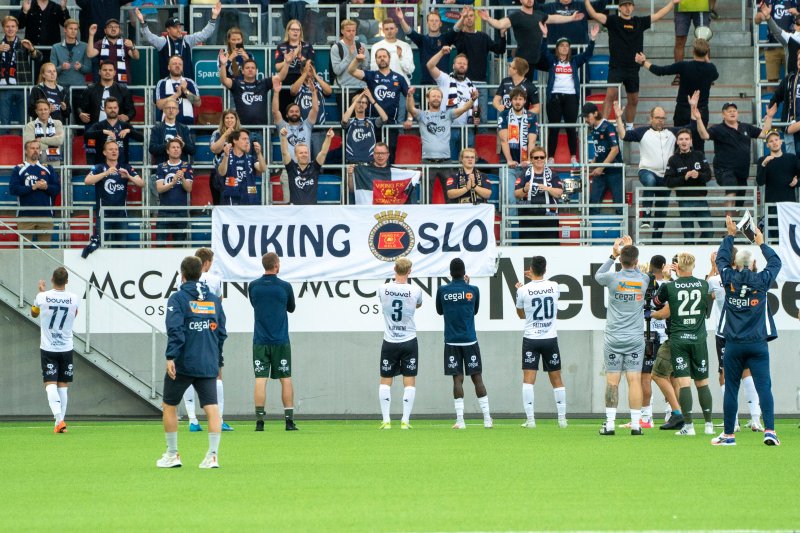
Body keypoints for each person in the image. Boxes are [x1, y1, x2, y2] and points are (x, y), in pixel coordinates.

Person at [712, 216, 782, 446]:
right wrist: (760, 242)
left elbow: (722, 258)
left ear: (736, 264)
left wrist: (730, 235)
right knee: (765, 387)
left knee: (731, 389)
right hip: (758, 343)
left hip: (733, 344)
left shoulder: (728, 277)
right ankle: (769, 431)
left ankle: (729, 435)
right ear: (752, 264)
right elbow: (776, 263)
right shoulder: (762, 280)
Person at [158, 256, 227, 468]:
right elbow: (222, 332)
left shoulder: (178, 298)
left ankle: (172, 454)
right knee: (212, 407)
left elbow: (175, 329)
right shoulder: (214, 299)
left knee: (169, 405)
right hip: (208, 362)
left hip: (183, 362)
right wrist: (217, 358)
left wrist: (171, 356)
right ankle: (212, 456)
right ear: (201, 273)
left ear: (183, 275)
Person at [650, 252, 714, 436]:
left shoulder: (670, 286)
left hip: (679, 339)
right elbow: (706, 311)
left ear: (676, 267)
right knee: (702, 382)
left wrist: (669, 279)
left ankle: (689, 426)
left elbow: (656, 303)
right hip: (699, 339)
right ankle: (709, 425)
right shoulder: (703, 285)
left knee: (684, 383)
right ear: (693, 266)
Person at [584, 0, 679, 124]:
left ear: (633, 7)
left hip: (633, 69)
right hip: (616, 67)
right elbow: (594, 14)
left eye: (629, 5)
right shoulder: (613, 21)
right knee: (610, 95)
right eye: (624, 5)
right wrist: (586, 1)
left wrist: (672, 3)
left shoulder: (639, 22)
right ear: (619, 8)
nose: (627, 8)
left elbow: (659, 15)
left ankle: (629, 127)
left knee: (633, 100)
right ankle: (604, 125)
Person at [594, 236, 650, 435]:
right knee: (634, 380)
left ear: (620, 260)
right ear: (636, 262)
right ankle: (636, 425)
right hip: (635, 338)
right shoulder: (644, 280)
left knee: (612, 381)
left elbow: (598, 275)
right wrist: (629, 249)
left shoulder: (613, 278)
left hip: (614, 337)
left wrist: (613, 254)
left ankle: (609, 425)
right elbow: (636, 269)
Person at [706, 250, 764, 432]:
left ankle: (733, 421)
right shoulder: (748, 279)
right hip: (747, 331)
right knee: (747, 373)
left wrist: (713, 266)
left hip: (725, 333)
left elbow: (708, 294)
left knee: (725, 374)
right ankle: (756, 418)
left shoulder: (716, 280)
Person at [435, 258, 493, 429]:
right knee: (477, 378)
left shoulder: (442, 290)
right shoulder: (473, 290)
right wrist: (466, 288)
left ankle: (460, 421)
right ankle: (487, 419)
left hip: (451, 341)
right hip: (470, 340)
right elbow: (474, 311)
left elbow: (439, 311)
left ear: (450, 273)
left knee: (457, 379)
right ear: (464, 272)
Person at [182, 247, 234, 432]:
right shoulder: (214, 280)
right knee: (216, 373)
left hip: (191, 331)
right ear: (207, 263)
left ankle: (192, 420)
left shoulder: (185, 281)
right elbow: (219, 304)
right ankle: (218, 420)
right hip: (211, 332)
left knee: (187, 376)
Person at [513, 255, 568, 428]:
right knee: (557, 378)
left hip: (531, 339)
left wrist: (523, 289)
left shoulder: (522, 290)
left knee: (528, 379)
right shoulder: (554, 286)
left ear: (530, 269)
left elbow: (521, 315)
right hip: (550, 338)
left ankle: (530, 420)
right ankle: (562, 420)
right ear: (545, 269)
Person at [694, 100, 776, 213]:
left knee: (738, 206)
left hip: (742, 172)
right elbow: (704, 135)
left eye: (734, 110)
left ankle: (729, 226)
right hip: (724, 170)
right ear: (723, 114)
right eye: (729, 111)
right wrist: (699, 119)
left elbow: (764, 134)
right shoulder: (718, 129)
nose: (732, 113)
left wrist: (770, 117)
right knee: (731, 190)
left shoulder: (746, 127)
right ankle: (729, 227)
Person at [636, 39, 718, 152]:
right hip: (701, 111)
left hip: (683, 109)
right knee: (699, 143)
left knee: (680, 140)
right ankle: (699, 167)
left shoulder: (684, 66)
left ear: (693, 51)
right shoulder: (711, 68)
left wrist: (643, 62)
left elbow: (660, 71)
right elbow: (715, 76)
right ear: (707, 52)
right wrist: (706, 59)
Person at [248, 252, 298, 432]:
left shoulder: (253, 286)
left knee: (260, 379)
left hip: (260, 340)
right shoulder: (285, 286)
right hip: (280, 340)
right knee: (286, 379)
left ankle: (260, 422)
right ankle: (289, 422)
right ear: (276, 265)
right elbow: (291, 308)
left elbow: (254, 304)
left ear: (264, 265)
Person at [614, 103, 681, 237]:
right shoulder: (642, 131)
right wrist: (618, 118)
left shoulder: (672, 133)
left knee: (662, 209)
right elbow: (623, 136)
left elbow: (691, 129)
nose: (660, 120)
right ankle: (645, 215)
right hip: (647, 170)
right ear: (650, 118)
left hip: (665, 175)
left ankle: (657, 240)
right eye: (657, 117)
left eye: (662, 118)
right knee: (650, 182)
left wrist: (694, 112)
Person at [539, 22, 598, 164]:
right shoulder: (552, 60)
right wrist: (545, 36)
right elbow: (543, 52)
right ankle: (551, 158)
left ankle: (573, 157)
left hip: (571, 97)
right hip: (554, 97)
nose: (564, 48)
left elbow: (588, 54)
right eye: (562, 45)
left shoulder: (574, 61)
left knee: (571, 128)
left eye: (567, 46)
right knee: (553, 128)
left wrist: (592, 39)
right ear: (557, 48)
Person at [477, 0, 582, 78]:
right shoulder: (516, 16)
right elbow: (500, 24)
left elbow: (554, 18)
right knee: (523, 94)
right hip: (523, 60)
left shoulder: (539, 15)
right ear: (521, 1)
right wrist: (488, 19)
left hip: (538, 57)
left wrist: (571, 18)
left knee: (558, 65)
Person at [377, 257, 424, 429]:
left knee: (385, 380)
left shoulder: (383, 288)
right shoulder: (416, 290)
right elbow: (417, 305)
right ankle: (405, 420)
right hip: (409, 340)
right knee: (409, 380)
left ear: (394, 269)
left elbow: (383, 303)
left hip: (389, 340)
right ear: (410, 271)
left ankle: (386, 420)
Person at [31, 267, 78, 433]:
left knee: (50, 383)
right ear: (67, 281)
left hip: (48, 347)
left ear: (52, 279)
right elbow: (74, 314)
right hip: (66, 347)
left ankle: (59, 420)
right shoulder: (74, 298)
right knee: (63, 384)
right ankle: (60, 423)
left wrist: (42, 293)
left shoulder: (42, 297)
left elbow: (34, 313)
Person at [445, 7, 507, 122]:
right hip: (463, 84)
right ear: (462, 18)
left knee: (482, 120)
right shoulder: (459, 36)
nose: (469, 19)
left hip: (481, 84)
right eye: (466, 16)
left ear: (475, 17)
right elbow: (448, 38)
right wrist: (461, 19)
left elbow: (500, 50)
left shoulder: (483, 36)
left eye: (471, 16)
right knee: (463, 118)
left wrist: (503, 35)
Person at [135, 3, 221, 80]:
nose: (179, 29)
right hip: (168, 85)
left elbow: (205, 34)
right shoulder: (163, 42)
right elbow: (149, 37)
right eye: (175, 27)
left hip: (187, 84)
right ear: (168, 29)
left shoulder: (187, 40)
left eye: (179, 27)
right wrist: (142, 22)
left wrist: (214, 17)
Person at [84, 139, 145, 246]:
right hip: (103, 214)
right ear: (104, 152)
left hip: (121, 214)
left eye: (116, 149)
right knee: (99, 246)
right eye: (111, 149)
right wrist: (105, 173)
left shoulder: (126, 167)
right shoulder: (98, 167)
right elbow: (87, 181)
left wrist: (129, 176)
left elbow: (141, 183)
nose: (114, 152)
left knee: (121, 248)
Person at [426, 46, 479, 159]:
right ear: (453, 65)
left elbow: (475, 107)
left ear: (467, 67)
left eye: (464, 63)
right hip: (448, 127)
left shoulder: (471, 85)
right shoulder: (445, 79)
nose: (462, 65)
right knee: (447, 160)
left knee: (467, 160)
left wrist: (476, 117)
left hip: (466, 129)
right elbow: (430, 66)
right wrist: (441, 52)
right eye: (459, 63)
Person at [664, 128, 713, 243]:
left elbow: (708, 175)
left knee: (709, 230)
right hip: (684, 200)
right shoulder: (673, 160)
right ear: (677, 142)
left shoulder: (699, 155)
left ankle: (699, 249)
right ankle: (690, 257)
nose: (684, 141)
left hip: (701, 199)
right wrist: (684, 177)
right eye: (681, 139)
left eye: (686, 139)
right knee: (688, 235)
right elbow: (668, 181)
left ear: (691, 141)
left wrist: (698, 175)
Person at [406, 86, 478, 164]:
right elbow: (410, 108)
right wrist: (410, 96)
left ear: (441, 99)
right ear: (427, 99)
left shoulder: (448, 114)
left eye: (438, 96)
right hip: (427, 161)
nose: (436, 98)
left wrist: (473, 99)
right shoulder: (422, 115)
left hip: (446, 160)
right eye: (433, 96)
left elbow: (464, 108)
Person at [9, 140, 61, 244]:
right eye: (32, 148)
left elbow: (57, 189)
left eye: (37, 148)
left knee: (45, 251)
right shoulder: (19, 169)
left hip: (45, 216)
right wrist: (33, 187)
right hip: (25, 216)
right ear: (26, 151)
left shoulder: (48, 168)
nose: (35, 151)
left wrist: (46, 187)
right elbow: (13, 189)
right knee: (24, 252)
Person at [220, 57, 287, 132]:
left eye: (253, 68)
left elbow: (280, 77)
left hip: (262, 130)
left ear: (256, 71)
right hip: (242, 130)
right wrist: (223, 65)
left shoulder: (263, 83)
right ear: (242, 71)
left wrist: (287, 63)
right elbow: (224, 80)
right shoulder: (237, 84)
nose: (250, 69)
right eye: (247, 68)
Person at [0, 15, 43, 132]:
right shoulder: (0, 44)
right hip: (3, 87)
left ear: (17, 28)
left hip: (23, 86)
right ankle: (4, 147)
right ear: (3, 28)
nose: (10, 29)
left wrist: (32, 49)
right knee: (4, 121)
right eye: (7, 26)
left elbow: (39, 58)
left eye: (13, 26)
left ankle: (25, 146)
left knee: (25, 120)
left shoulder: (23, 43)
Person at [756, 129, 800, 239]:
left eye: (776, 139)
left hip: (789, 204)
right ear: (767, 145)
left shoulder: (792, 158)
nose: (774, 142)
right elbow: (760, 181)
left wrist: (797, 181)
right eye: (771, 141)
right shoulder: (763, 160)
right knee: (775, 237)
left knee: (789, 237)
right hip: (772, 205)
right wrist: (764, 164)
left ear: (781, 142)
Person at [514, 145, 563, 243]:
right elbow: (516, 194)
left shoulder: (553, 174)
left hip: (549, 216)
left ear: (545, 159)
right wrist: (525, 189)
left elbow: (559, 193)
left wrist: (547, 188)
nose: (539, 159)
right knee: (528, 250)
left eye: (542, 157)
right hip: (528, 216)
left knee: (549, 249)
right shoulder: (524, 174)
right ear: (531, 160)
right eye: (536, 157)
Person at [348, 47, 408, 125]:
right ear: (375, 60)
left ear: (389, 58)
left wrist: (409, 118)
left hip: (392, 124)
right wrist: (357, 60)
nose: (382, 58)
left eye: (384, 56)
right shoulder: (371, 75)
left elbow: (409, 96)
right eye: (379, 57)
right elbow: (351, 71)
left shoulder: (399, 78)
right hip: (373, 123)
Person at [370, 18, 414, 123]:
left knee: (399, 121)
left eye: (391, 28)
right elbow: (373, 68)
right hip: (381, 88)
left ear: (396, 29)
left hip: (401, 88)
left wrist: (401, 57)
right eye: (386, 29)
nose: (389, 31)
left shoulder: (405, 46)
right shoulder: (376, 46)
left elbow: (410, 69)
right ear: (383, 30)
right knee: (381, 120)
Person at [582, 102, 623, 214]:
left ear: (595, 113)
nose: (586, 119)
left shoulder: (608, 127)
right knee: (592, 206)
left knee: (620, 205)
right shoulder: (593, 128)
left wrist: (600, 167)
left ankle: (622, 232)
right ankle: (592, 232)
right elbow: (599, 150)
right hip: (600, 172)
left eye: (587, 116)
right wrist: (592, 164)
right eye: (584, 117)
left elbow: (615, 150)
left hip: (614, 172)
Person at [280, 127, 334, 205]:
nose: (304, 155)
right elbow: (284, 152)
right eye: (301, 153)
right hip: (295, 211)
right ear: (295, 155)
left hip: (311, 211)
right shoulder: (291, 168)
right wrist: (283, 137)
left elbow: (323, 152)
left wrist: (328, 138)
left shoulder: (314, 167)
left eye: (306, 152)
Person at [78, 61, 136, 134]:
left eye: (110, 70)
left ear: (114, 72)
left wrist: (127, 117)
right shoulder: (90, 89)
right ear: (99, 72)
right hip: (95, 130)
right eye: (105, 70)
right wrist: (81, 114)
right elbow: (80, 107)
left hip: (118, 131)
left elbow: (132, 111)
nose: (107, 72)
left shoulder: (123, 90)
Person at [290, 60, 333, 156]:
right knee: (303, 159)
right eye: (307, 70)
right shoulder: (299, 85)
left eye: (311, 70)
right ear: (302, 71)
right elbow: (293, 91)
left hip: (319, 129)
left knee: (318, 161)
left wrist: (316, 76)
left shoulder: (318, 85)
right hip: (302, 130)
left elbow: (329, 91)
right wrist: (304, 74)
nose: (309, 73)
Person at [274, 19, 315, 118]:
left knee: (302, 110)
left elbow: (312, 66)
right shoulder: (282, 46)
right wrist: (288, 60)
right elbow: (277, 67)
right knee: (285, 110)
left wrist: (300, 56)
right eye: (293, 29)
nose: (295, 32)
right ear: (288, 31)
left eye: (298, 29)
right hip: (286, 78)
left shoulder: (307, 46)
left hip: (302, 79)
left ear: (301, 32)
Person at [154, 138, 193, 242]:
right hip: (164, 211)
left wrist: (182, 178)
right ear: (167, 151)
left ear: (181, 150)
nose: (176, 149)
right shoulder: (161, 166)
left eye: (178, 147)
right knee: (160, 245)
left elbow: (189, 188)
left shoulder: (186, 166)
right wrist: (173, 182)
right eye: (173, 147)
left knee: (179, 245)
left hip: (181, 211)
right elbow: (159, 189)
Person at [397, 9, 449, 85]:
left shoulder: (446, 38)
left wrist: (463, 17)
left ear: (440, 23)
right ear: (427, 23)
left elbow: (456, 29)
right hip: (426, 82)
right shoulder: (422, 40)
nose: (434, 23)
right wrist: (401, 19)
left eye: (436, 21)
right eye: (431, 20)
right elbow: (409, 32)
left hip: (443, 82)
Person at [85, 97, 143, 167]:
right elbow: (87, 134)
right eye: (110, 108)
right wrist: (103, 132)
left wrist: (129, 131)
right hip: (102, 166)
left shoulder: (125, 126)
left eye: (115, 108)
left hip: (122, 166)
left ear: (118, 109)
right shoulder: (99, 125)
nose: (113, 110)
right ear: (105, 109)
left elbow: (141, 138)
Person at [215, 129, 266, 205]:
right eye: (244, 139)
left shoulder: (250, 158)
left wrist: (259, 154)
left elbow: (263, 169)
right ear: (235, 141)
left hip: (250, 197)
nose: (247, 142)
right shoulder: (226, 156)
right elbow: (222, 172)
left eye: (248, 139)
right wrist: (226, 156)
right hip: (232, 199)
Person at [272, 79, 317, 163]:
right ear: (286, 115)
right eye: (291, 112)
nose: (294, 113)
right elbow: (275, 112)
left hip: (306, 168)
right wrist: (276, 92)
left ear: (300, 114)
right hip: (288, 169)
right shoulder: (282, 126)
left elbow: (314, 110)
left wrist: (314, 93)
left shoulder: (307, 125)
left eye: (297, 111)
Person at [16, 0, 70, 69]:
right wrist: (25, 12)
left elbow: (67, 25)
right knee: (34, 77)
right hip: (33, 51)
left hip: (51, 51)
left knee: (50, 76)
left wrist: (63, 9)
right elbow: (20, 25)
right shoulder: (29, 5)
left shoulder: (56, 7)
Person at [757, 1, 799, 87]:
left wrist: (797, 12)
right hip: (793, 82)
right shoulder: (791, 38)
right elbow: (776, 31)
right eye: (797, 22)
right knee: (780, 86)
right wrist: (767, 17)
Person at [86, 19, 139, 85]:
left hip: (122, 82)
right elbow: (90, 54)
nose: (113, 29)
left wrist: (132, 47)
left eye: (116, 27)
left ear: (119, 30)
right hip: (104, 82)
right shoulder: (100, 43)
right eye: (110, 27)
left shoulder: (125, 42)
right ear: (105, 30)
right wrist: (91, 35)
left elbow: (136, 57)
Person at [342, 88, 388, 164]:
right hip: (353, 162)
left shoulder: (372, 121)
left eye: (364, 102)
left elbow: (385, 118)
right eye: (358, 102)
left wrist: (372, 100)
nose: (361, 104)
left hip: (370, 161)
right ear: (353, 105)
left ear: (367, 105)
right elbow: (344, 120)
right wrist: (355, 100)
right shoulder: (350, 121)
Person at [154, 56, 201, 126]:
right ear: (168, 67)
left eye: (180, 64)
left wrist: (185, 91)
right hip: (167, 126)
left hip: (188, 126)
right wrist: (176, 95)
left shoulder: (190, 82)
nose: (177, 66)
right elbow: (159, 105)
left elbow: (198, 103)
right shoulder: (162, 83)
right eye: (174, 64)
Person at [538, 0, 608, 45]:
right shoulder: (549, 7)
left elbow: (600, 6)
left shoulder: (582, 5)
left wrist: (587, 1)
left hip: (580, 52)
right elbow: (535, 7)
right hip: (555, 52)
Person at [148, 101, 197, 165]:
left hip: (180, 169)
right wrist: (169, 144)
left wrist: (182, 144)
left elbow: (192, 150)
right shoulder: (157, 128)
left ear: (177, 111)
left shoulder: (184, 128)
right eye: (168, 108)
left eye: (173, 108)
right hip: (162, 167)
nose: (171, 110)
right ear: (164, 110)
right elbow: (152, 149)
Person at [330, 19, 369, 97]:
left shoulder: (362, 46)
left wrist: (363, 59)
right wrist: (349, 55)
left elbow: (367, 69)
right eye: (348, 31)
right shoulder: (336, 47)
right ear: (342, 31)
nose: (351, 33)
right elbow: (337, 70)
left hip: (360, 89)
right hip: (343, 90)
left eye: (353, 30)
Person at [51, 19, 94, 88]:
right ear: (65, 30)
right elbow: (51, 71)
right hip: (61, 86)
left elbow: (89, 69)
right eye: (71, 28)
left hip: (79, 86)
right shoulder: (56, 47)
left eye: (76, 29)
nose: (73, 31)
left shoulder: (85, 46)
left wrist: (81, 67)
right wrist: (62, 67)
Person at [23, 99, 65, 166]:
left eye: (45, 109)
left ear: (49, 110)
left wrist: (40, 140)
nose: (43, 112)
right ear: (36, 111)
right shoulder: (30, 126)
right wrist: (52, 142)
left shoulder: (57, 123)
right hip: (34, 165)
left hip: (54, 166)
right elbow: (30, 145)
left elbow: (59, 141)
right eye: (40, 110)